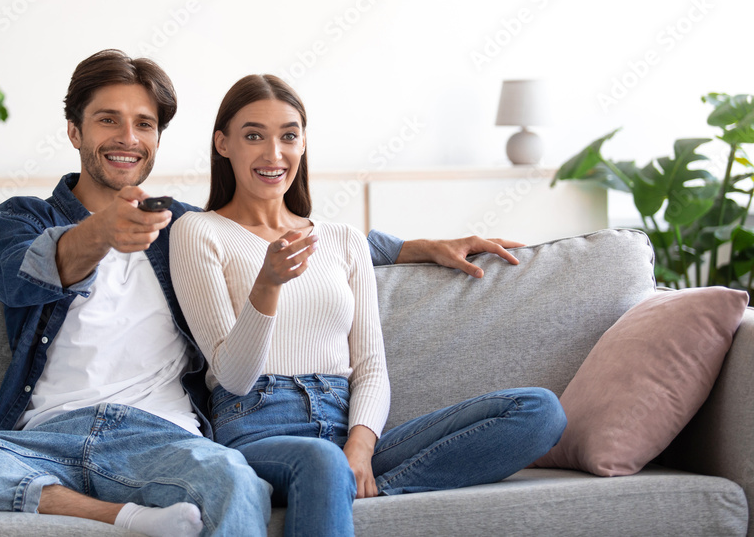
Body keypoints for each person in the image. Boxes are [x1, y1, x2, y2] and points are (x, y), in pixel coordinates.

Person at [0, 49, 524, 537]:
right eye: (108, 120)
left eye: (143, 124)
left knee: (231, 477)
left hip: (160, 437)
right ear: (74, 131)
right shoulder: (24, 218)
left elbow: (276, 229)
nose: (127, 138)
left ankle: (112, 503)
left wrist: (415, 246)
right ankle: (103, 512)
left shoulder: (184, 223)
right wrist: (99, 233)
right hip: (42, 435)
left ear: (157, 138)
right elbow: (22, 273)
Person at [168, 74, 567, 537]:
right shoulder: (199, 232)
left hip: (346, 423)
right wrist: (267, 285)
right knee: (321, 460)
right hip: (257, 427)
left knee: (538, 411)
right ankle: (332, 481)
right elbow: (233, 377)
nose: (273, 154)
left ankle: (342, 485)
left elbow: (371, 367)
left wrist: (359, 446)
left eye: (289, 136)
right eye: (254, 135)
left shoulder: (343, 240)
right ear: (223, 144)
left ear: (303, 144)